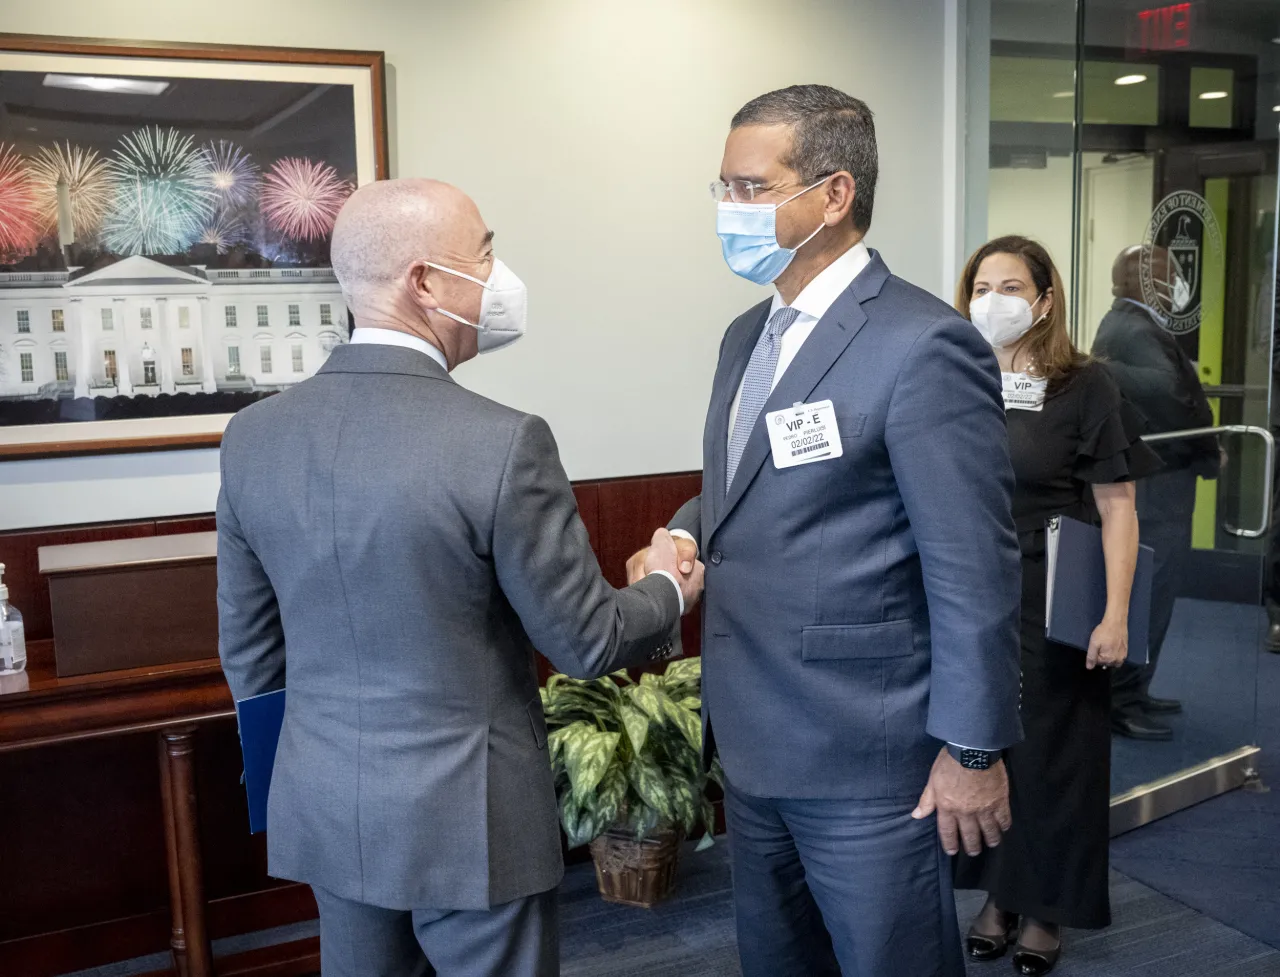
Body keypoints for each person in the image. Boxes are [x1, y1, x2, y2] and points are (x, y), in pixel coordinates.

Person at [216, 178, 704, 977]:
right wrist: (667, 588)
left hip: (327, 804)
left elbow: (250, 652)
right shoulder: (503, 443)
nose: (498, 276)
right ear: (424, 282)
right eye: (484, 253)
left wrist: (298, 779)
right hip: (470, 819)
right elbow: (585, 638)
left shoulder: (253, 438)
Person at [626, 85, 1023, 977]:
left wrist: (973, 747)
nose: (729, 209)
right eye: (722, 187)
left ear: (834, 194)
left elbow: (974, 568)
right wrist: (686, 531)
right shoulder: (746, 336)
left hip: (868, 755)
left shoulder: (924, 345)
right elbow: (749, 486)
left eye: (751, 187)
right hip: (757, 740)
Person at [953, 236, 1159, 975]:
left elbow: (1121, 507)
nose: (992, 300)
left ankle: (1043, 906)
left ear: (1045, 300)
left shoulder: (1086, 385)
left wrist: (1115, 612)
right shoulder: (957, 373)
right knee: (987, 744)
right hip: (973, 587)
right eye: (981, 286)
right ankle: (999, 893)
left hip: (1056, 586)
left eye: (1011, 286)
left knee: (1054, 754)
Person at [1091, 245, 1219, 740]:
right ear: (1133, 281)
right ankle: (1122, 699)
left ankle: (1135, 690)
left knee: (1156, 591)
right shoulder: (1131, 325)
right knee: (1149, 591)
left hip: (1165, 476)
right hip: (1157, 481)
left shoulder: (1136, 324)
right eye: (1163, 272)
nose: (1174, 280)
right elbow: (1169, 391)